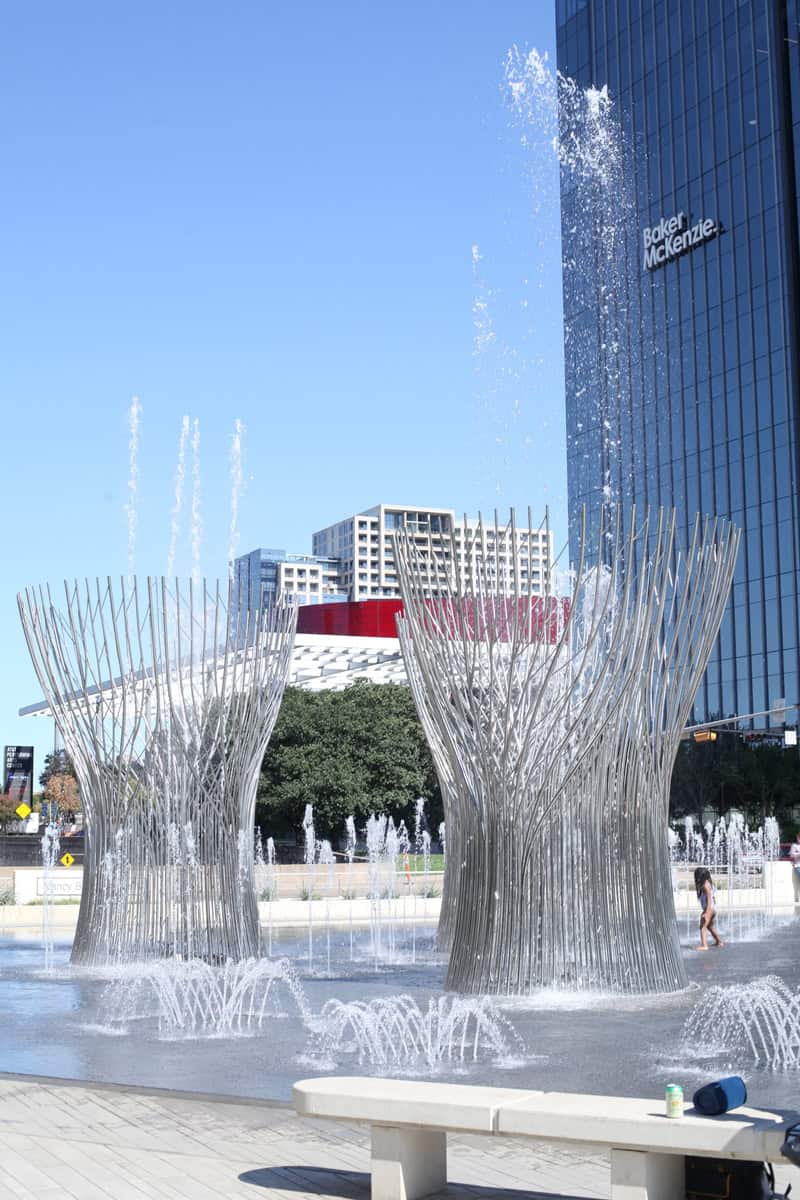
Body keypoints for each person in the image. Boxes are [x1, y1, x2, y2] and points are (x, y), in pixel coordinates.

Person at [694, 867, 723, 950]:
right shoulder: (708, 883)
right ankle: (719, 942)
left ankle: (704, 945)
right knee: (709, 926)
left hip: (709, 908)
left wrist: (707, 912)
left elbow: (709, 898)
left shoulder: (705, 885)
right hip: (712, 908)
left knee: (702, 926)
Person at [790, 832, 800, 907]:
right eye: (798, 837)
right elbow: (792, 854)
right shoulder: (794, 845)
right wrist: (798, 854)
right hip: (798, 866)